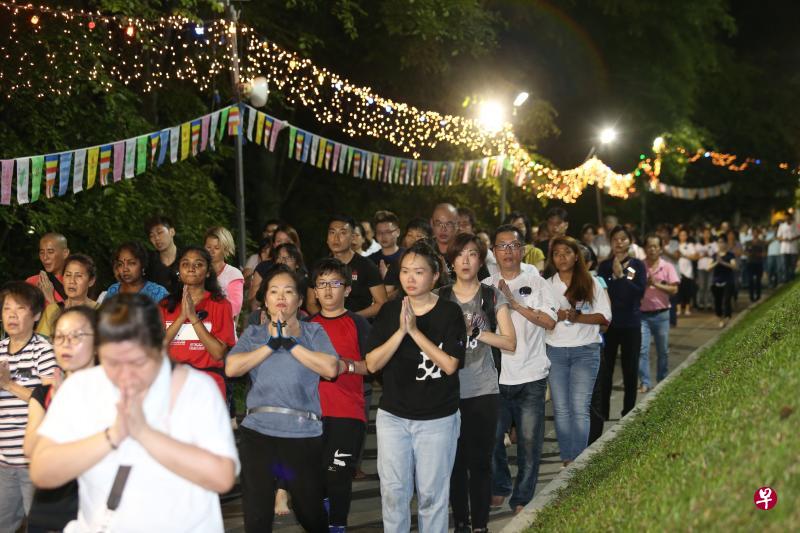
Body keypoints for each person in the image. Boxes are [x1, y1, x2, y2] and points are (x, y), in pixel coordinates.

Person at [30, 293, 239, 532]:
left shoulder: (196, 389)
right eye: (113, 363)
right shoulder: (80, 388)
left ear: (160, 346)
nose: (125, 374)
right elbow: (42, 471)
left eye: (138, 362)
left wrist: (145, 433)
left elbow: (222, 476)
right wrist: (111, 436)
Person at [226, 264, 339, 533]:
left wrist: (290, 343)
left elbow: (331, 369)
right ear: (265, 300)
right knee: (257, 514)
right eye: (274, 291)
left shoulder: (314, 333)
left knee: (309, 510)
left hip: (301, 433)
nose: (281, 297)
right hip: (258, 433)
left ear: (299, 300)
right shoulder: (253, 334)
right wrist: (270, 345)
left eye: (289, 291)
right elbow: (232, 367)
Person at [365, 241, 467, 532]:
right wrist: (400, 331)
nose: (410, 278)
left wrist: (414, 332)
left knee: (432, 496)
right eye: (405, 271)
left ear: (434, 276)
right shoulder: (388, 311)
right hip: (394, 416)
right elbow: (372, 364)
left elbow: (450, 364)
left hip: (438, 418)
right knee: (394, 493)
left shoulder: (450, 313)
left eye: (418, 272)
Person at [440, 234, 516, 533]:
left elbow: (510, 342)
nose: (466, 260)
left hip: (483, 390)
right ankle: (461, 522)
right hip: (446, 391)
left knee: (480, 463)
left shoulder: (491, 296)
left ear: (481, 260)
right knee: (455, 464)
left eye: (473, 254)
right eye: (460, 255)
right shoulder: (439, 297)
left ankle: (480, 525)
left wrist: (477, 334)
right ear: (451, 260)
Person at [487, 224, 557, 514]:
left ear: (523, 249)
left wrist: (513, 303)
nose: (508, 252)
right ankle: (501, 484)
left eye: (513, 246)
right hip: (496, 377)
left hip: (531, 374)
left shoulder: (536, 281)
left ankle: (522, 496)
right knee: (491, 438)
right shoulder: (485, 285)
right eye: (501, 246)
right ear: (493, 252)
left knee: (529, 443)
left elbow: (550, 322)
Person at [309, 259, 372, 532]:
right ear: (314, 290)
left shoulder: (358, 323)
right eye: (321, 284)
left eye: (334, 283)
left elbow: (372, 365)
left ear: (346, 290)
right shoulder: (306, 325)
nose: (327, 290)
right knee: (316, 480)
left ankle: (337, 526)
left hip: (348, 413)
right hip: (311, 415)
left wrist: (342, 365)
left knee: (338, 476)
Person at [24, 306, 97, 533]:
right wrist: (56, 406)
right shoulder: (45, 394)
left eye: (76, 336)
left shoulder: (113, 392)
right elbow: (30, 449)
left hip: (96, 506)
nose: (66, 343)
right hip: (51, 507)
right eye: (59, 337)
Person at [545, 237, 611, 465]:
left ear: (576, 256)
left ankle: (577, 461)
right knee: (561, 409)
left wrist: (578, 317)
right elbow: (540, 318)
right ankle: (568, 459)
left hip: (586, 351)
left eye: (566, 252)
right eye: (556, 253)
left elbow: (605, 318)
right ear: (552, 258)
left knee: (579, 407)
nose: (561, 257)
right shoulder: (547, 284)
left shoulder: (590, 282)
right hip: (556, 351)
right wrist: (557, 315)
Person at [0, 282, 56, 532]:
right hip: (2, 462)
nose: (11, 315)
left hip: (35, 462)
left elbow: (50, 399)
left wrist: (9, 385)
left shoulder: (43, 351)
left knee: (40, 527)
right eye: (6, 309)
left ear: (35, 315)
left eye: (19, 309)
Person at [161, 247, 236, 398]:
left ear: (208, 272)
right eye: (185, 264)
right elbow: (157, 347)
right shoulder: (164, 305)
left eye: (198, 264)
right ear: (179, 271)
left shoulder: (221, 305)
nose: (191, 268)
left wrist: (193, 318)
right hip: (172, 384)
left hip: (209, 385)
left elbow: (218, 353)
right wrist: (182, 317)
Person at [597, 226, 647, 419]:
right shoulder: (604, 266)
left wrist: (620, 277)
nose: (619, 242)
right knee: (606, 370)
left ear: (630, 241)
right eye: (615, 239)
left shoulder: (637, 265)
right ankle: (603, 411)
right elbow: (602, 293)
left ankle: (628, 411)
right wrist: (614, 276)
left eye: (623, 239)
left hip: (631, 324)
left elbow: (637, 292)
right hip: (609, 325)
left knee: (630, 368)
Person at [306, 215, 387, 318]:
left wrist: (351, 318)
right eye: (332, 232)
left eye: (342, 233)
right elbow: (311, 303)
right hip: (324, 326)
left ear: (353, 237)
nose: (336, 238)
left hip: (358, 326)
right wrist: (326, 319)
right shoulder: (318, 267)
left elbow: (381, 302)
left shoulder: (367, 266)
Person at [638, 234, 679, 393]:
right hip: (642, 316)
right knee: (642, 350)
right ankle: (645, 382)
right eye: (649, 246)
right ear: (645, 248)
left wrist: (655, 284)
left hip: (662, 315)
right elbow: (627, 282)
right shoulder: (637, 266)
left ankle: (662, 379)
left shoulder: (668, 266)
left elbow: (674, 289)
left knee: (663, 351)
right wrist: (643, 284)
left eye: (655, 246)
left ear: (661, 249)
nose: (652, 249)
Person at [36, 253, 98, 338]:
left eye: (78, 276)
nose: (72, 281)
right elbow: (41, 345)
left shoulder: (101, 312)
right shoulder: (52, 310)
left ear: (91, 281)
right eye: (68, 275)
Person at [105, 241, 169, 303]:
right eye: (120, 264)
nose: (125, 269)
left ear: (142, 265)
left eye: (131, 263)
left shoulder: (158, 293)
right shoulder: (113, 290)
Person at [205, 226, 245, 318]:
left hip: (223, 325)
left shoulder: (234, 274)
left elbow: (235, 307)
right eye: (208, 247)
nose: (212, 251)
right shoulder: (198, 271)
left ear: (225, 249)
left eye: (217, 248)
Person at [26, 233, 71, 306]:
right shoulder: (32, 282)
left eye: (50, 252)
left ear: (65, 253)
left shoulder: (75, 282)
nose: (45, 257)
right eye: (42, 252)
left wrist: (50, 298)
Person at [144, 216, 180, 290]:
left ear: (172, 232)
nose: (156, 238)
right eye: (152, 236)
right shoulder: (148, 262)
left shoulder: (187, 258)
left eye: (160, 232)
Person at [368, 210, 403, 280]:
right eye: (379, 232)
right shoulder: (370, 261)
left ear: (398, 232)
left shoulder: (407, 257)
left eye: (388, 232)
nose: (383, 236)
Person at [710, 237, 737, 328]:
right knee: (717, 302)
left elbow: (734, 266)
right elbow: (708, 268)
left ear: (726, 244)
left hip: (728, 281)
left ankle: (727, 317)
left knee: (726, 300)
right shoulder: (714, 255)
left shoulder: (730, 255)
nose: (720, 244)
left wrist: (723, 262)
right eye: (719, 242)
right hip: (716, 281)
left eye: (722, 242)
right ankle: (720, 318)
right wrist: (717, 262)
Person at [676, 229, 698, 315]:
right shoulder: (676, 245)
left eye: (684, 235)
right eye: (681, 235)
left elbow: (695, 257)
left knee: (687, 291)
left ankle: (687, 309)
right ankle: (678, 309)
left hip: (688, 271)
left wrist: (684, 255)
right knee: (679, 290)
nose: (683, 237)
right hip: (678, 271)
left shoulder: (690, 245)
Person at [695, 227, 715, 310]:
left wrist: (708, 255)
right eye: (705, 233)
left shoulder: (714, 244)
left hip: (711, 267)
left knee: (710, 286)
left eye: (708, 233)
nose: (706, 235)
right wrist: (703, 255)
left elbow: (716, 255)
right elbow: (696, 256)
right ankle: (701, 303)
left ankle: (709, 303)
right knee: (702, 286)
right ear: (702, 235)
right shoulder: (698, 245)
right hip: (701, 268)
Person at [744, 228, 766, 302]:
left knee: (758, 280)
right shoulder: (748, 243)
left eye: (756, 232)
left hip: (758, 263)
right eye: (753, 232)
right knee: (750, 280)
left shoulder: (761, 242)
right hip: (750, 263)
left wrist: (759, 254)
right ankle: (751, 296)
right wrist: (749, 254)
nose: (755, 234)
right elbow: (745, 252)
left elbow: (764, 253)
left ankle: (758, 295)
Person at [777, 215, 798, 281]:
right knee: (785, 265)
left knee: (793, 264)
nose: (787, 219)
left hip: (793, 248)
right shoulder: (782, 226)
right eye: (786, 218)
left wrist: (792, 239)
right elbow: (778, 236)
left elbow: (798, 235)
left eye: (788, 218)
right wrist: (784, 239)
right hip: (784, 249)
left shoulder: (795, 225)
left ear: (790, 218)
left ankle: (792, 276)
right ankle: (786, 278)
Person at [765, 222, 784, 288]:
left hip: (779, 253)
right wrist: (773, 238)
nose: (776, 229)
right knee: (770, 269)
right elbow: (766, 242)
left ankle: (778, 282)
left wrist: (779, 238)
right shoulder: (770, 234)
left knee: (778, 269)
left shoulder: (782, 234)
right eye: (775, 228)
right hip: (771, 254)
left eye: (777, 228)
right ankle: (770, 283)